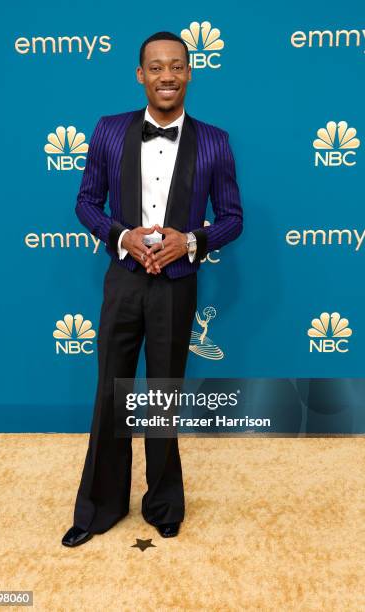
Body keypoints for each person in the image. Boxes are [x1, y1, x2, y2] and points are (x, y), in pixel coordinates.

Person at [62, 30, 243, 547]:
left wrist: (191, 241)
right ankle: (98, 507)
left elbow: (232, 218)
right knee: (110, 393)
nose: (167, 75)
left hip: (177, 284)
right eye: (156, 67)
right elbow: (86, 203)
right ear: (141, 75)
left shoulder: (215, 141)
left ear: (190, 72)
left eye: (177, 66)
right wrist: (121, 235)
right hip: (123, 280)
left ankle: (163, 503)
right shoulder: (110, 131)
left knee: (164, 394)